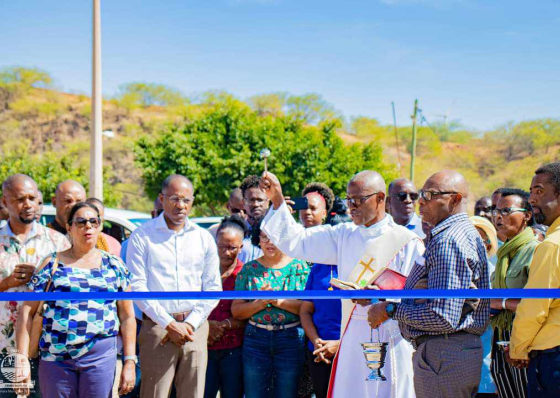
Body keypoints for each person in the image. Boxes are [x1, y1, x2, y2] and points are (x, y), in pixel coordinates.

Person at [259, 170, 424, 398]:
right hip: (352, 332)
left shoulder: (407, 242)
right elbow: (298, 242)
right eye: (348, 199)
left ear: (380, 199)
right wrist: (277, 199)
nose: (351, 206)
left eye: (358, 200)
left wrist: (381, 300)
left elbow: (419, 295)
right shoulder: (343, 235)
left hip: (391, 334)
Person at [368, 170, 490, 398]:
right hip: (446, 354)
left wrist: (389, 309)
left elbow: (443, 316)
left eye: (430, 194)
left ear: (454, 199)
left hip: (443, 355)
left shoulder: (449, 241)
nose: (421, 201)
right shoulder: (455, 235)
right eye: (422, 194)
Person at [16, 202, 137, 398]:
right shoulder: (51, 264)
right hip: (56, 359)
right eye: (80, 222)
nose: (88, 226)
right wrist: (21, 359)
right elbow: (26, 312)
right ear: (69, 227)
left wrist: (129, 362)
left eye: (93, 221)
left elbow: (127, 316)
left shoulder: (114, 265)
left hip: (100, 357)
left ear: (99, 226)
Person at [127, 174, 222, 398]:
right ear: (161, 199)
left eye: (186, 200)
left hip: (195, 329)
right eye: (174, 199)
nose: (181, 205)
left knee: (194, 394)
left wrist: (189, 324)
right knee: (154, 394)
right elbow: (137, 286)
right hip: (157, 329)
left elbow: (212, 287)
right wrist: (169, 324)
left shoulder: (203, 237)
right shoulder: (143, 236)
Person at [0, 175, 69, 398]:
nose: (28, 204)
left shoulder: (58, 242)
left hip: (48, 349)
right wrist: (8, 282)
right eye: (20, 199)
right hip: (4, 348)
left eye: (32, 198)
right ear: (4, 202)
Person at [232, 222, 309, 398]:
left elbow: (307, 307)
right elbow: (236, 311)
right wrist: (260, 303)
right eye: (265, 236)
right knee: (254, 394)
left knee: (287, 393)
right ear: (258, 239)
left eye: (275, 237)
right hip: (256, 339)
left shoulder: (300, 267)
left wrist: (277, 301)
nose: (269, 242)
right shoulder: (249, 269)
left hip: (290, 339)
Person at [510, 162, 560, 397]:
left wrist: (518, 348)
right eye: (531, 191)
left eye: (539, 191)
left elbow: (535, 306)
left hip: (553, 358)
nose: (531, 198)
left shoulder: (552, 246)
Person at [487, 188, 537, 398]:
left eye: (507, 211)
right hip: (501, 335)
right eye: (496, 211)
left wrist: (502, 303)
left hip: (525, 338)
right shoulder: (504, 253)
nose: (499, 216)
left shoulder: (534, 250)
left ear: (527, 215)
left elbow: (540, 302)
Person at [298, 184, 342, 398]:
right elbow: (306, 310)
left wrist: (339, 344)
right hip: (317, 350)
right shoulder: (319, 267)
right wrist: (316, 341)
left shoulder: (359, 268)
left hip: (347, 349)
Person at [204, 215, 247, 398]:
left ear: (241, 247)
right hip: (204, 346)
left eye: (232, 248)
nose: (227, 252)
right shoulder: (202, 271)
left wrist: (222, 325)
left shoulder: (246, 273)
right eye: (222, 247)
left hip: (234, 349)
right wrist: (207, 326)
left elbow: (249, 313)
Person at [470, 216, 499, 398]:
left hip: (484, 362)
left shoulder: (494, 275)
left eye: (480, 240)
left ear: (488, 245)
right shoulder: (452, 272)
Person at [238, 175, 270, 263]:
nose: (255, 204)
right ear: (243, 203)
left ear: (268, 201)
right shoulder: (236, 231)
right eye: (251, 200)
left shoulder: (274, 232)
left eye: (260, 200)